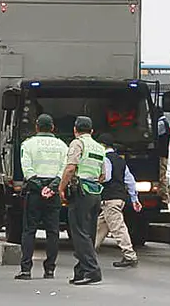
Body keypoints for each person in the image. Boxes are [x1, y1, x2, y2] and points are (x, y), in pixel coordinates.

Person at [15, 114, 68, 281]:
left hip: (35, 193)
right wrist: (52, 188)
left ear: (36, 127)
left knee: (29, 230)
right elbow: (63, 170)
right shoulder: (62, 146)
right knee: (52, 232)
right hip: (53, 193)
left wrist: (40, 187)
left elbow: (27, 170)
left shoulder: (28, 144)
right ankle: (50, 270)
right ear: (52, 127)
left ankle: (26, 270)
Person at [58, 116, 106, 286]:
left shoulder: (78, 143)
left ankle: (92, 271)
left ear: (75, 130)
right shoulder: (99, 148)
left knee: (78, 232)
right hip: (95, 192)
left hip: (80, 191)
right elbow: (103, 175)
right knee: (89, 233)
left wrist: (61, 187)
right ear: (92, 131)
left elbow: (71, 168)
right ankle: (81, 271)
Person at [94, 133, 141, 267]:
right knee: (100, 227)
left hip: (110, 198)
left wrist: (95, 180)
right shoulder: (120, 160)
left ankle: (130, 256)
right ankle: (89, 252)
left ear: (101, 145)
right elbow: (130, 180)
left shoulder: (105, 158)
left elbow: (106, 177)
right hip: (119, 198)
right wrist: (134, 198)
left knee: (118, 228)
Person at [156, 113, 170, 208]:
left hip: (161, 155)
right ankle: (163, 196)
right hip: (163, 154)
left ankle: (165, 198)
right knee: (162, 176)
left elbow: (155, 134)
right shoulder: (164, 122)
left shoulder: (161, 124)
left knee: (161, 177)